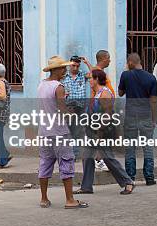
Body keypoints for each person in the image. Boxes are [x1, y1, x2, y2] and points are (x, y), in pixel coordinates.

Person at [38, 56, 88, 209]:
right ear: (57, 70)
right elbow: (62, 109)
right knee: (66, 161)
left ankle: (44, 199)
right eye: (63, 68)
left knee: (45, 163)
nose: (65, 71)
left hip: (44, 131)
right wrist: (72, 115)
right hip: (59, 131)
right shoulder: (59, 87)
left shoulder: (41, 85)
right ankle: (70, 200)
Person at [74, 69, 134, 195]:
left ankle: (128, 182)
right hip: (93, 130)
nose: (89, 81)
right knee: (87, 157)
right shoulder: (97, 93)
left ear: (96, 79)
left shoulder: (104, 94)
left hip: (102, 131)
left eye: (91, 78)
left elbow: (107, 115)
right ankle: (86, 187)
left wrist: (100, 133)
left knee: (108, 157)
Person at [118, 53, 157, 186]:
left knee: (130, 148)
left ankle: (130, 178)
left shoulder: (126, 75)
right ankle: (150, 178)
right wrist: (154, 119)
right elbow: (153, 101)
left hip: (130, 116)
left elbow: (120, 93)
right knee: (147, 148)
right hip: (146, 116)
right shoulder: (151, 78)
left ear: (130, 62)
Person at [82, 50, 115, 171]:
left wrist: (87, 63)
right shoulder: (98, 74)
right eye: (109, 58)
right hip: (99, 108)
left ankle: (99, 159)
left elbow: (93, 70)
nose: (110, 60)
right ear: (104, 59)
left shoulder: (97, 71)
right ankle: (99, 160)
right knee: (101, 135)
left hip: (101, 107)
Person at [61, 55, 89, 158]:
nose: (75, 68)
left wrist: (87, 62)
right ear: (69, 64)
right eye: (73, 66)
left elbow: (94, 75)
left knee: (77, 131)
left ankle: (75, 154)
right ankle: (67, 153)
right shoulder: (64, 77)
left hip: (80, 107)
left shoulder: (82, 75)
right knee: (67, 131)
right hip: (68, 108)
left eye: (77, 66)